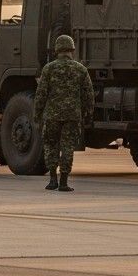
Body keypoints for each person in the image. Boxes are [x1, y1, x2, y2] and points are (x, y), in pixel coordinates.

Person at [34, 34, 93, 192]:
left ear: (57, 50)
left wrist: (37, 114)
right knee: (67, 147)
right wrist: (88, 113)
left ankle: (53, 179)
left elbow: (41, 94)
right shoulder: (81, 69)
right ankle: (64, 181)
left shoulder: (49, 69)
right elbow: (89, 95)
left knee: (51, 145)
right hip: (72, 115)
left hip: (52, 115)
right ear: (72, 50)